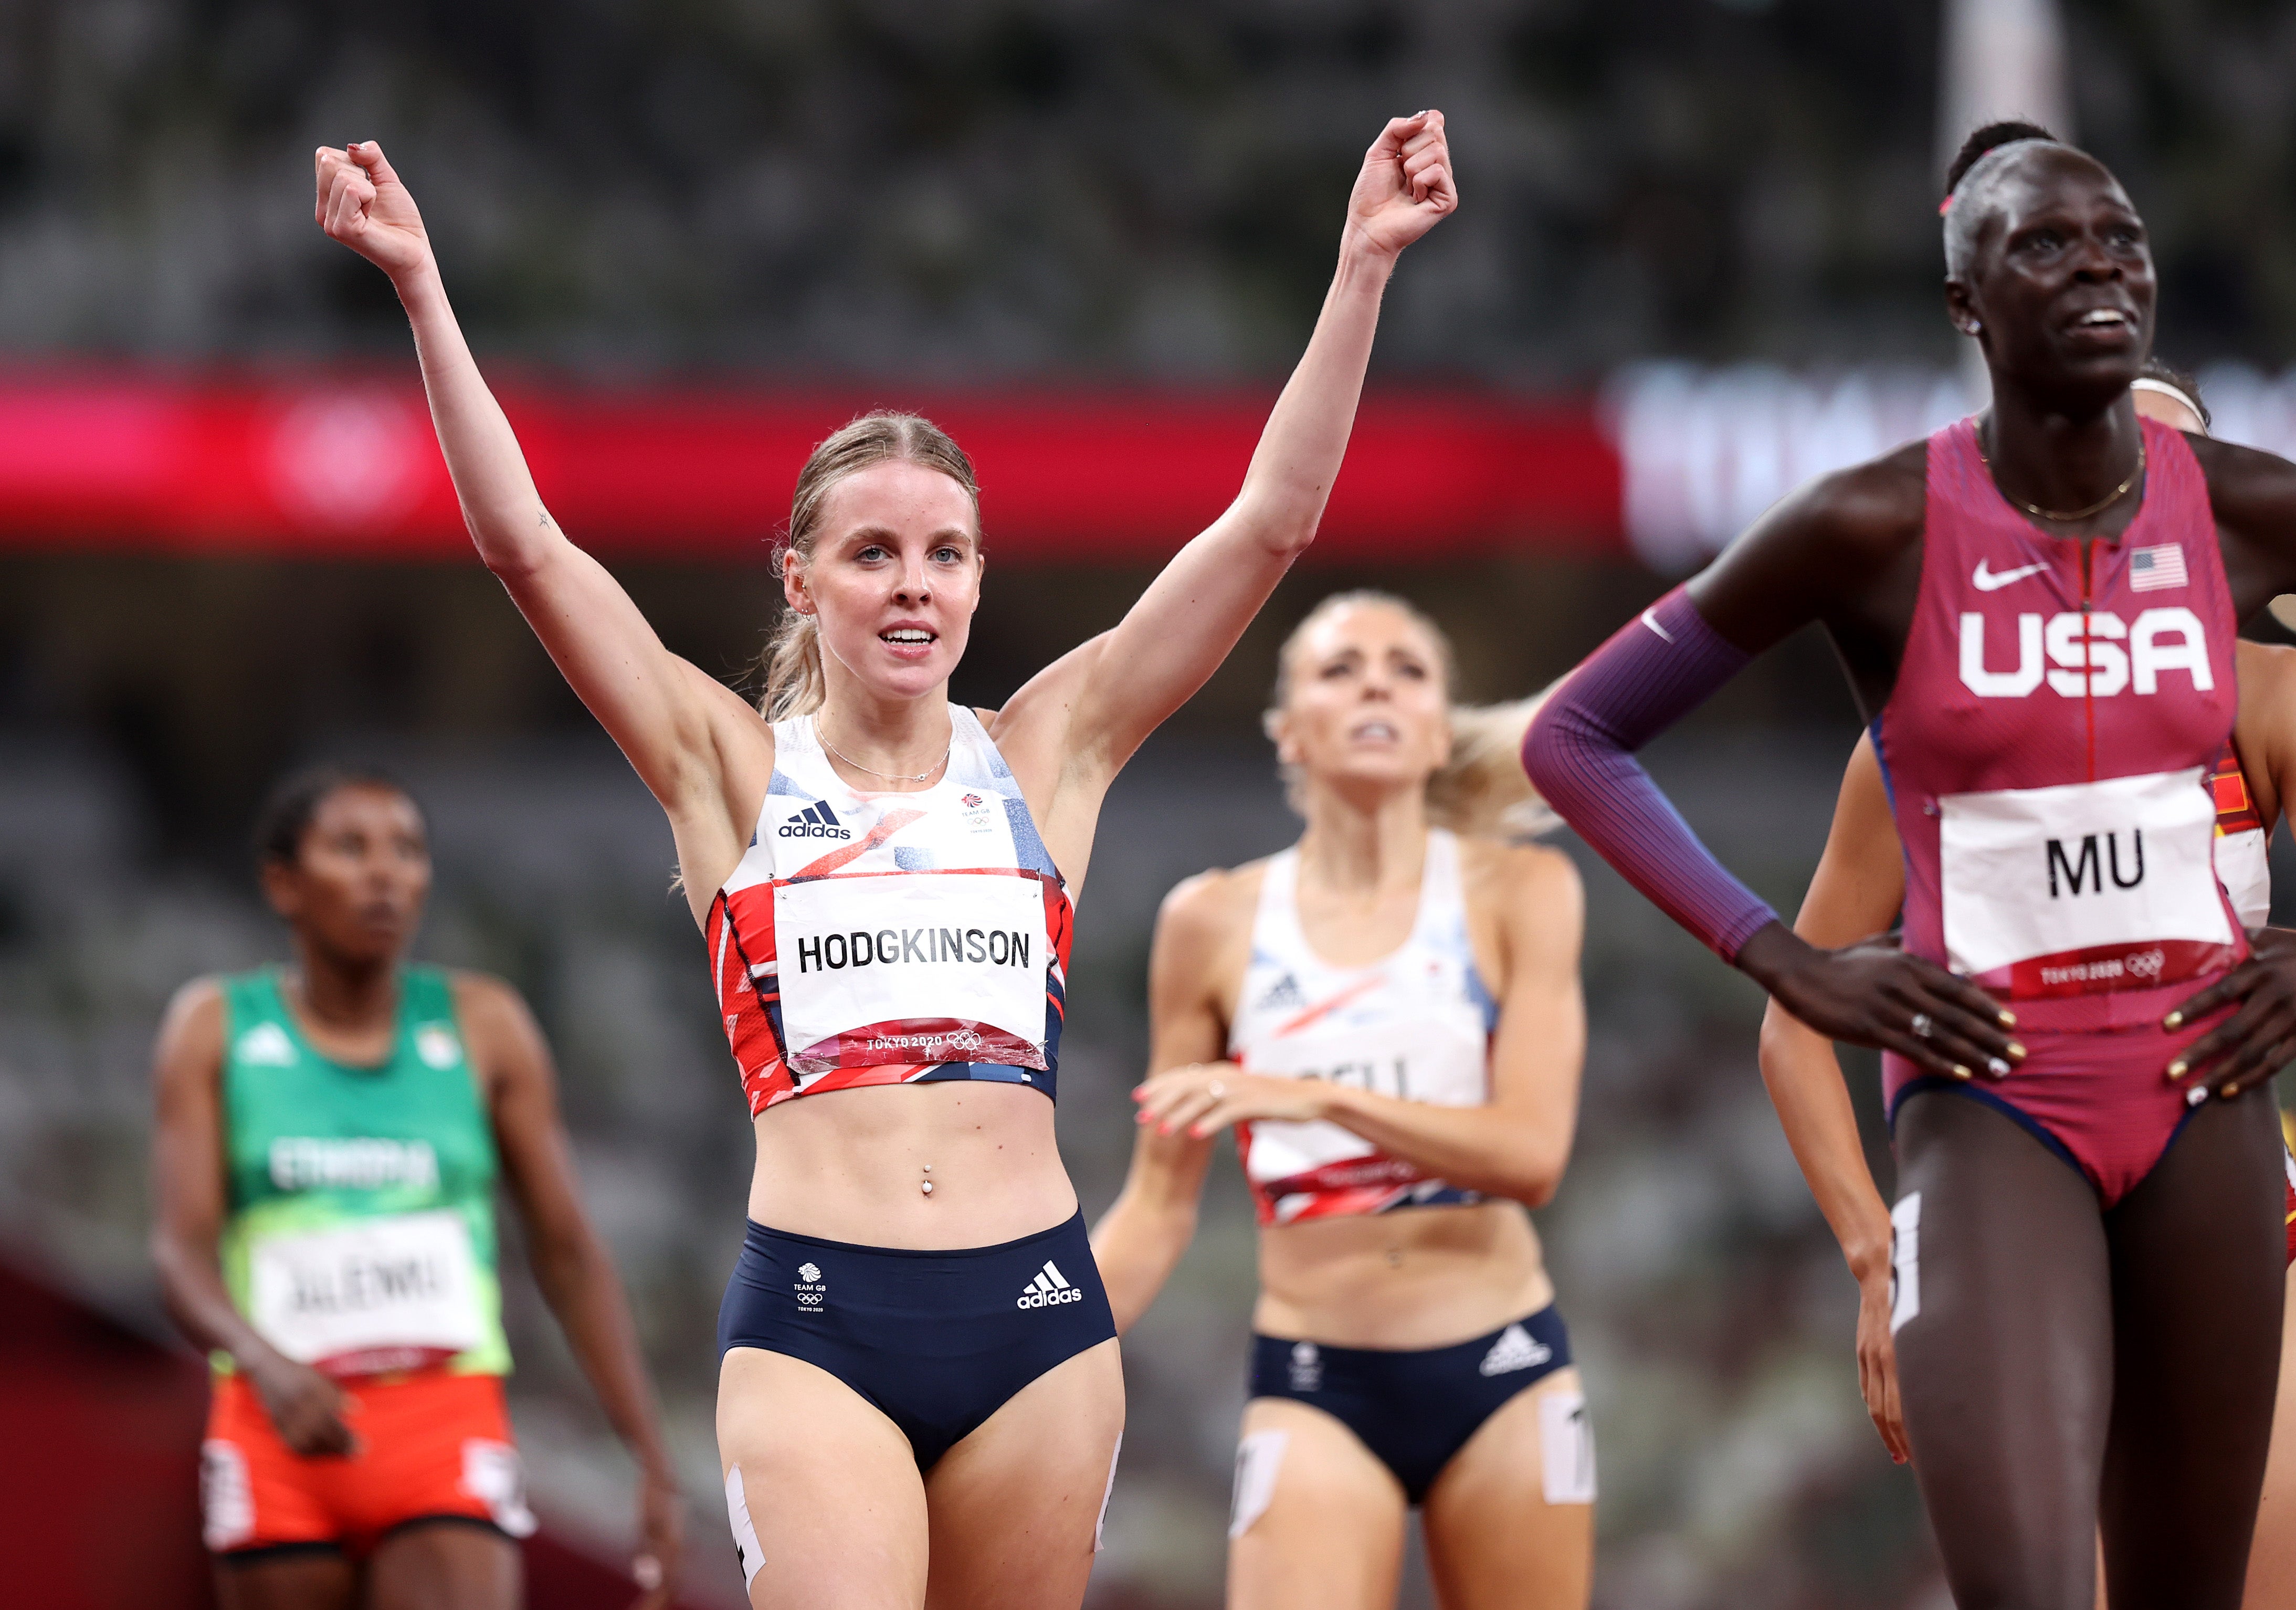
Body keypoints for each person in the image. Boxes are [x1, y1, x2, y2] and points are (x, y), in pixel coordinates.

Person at [311, 110, 1458, 1608]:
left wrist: (1363, 264)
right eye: (872, 553)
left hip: (1038, 1316)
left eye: (945, 553)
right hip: (817, 1318)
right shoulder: (723, 763)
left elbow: (1270, 527)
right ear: (800, 576)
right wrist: (419, 286)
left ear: (979, 575)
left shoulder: (1051, 748)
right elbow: (524, 543)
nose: (912, 585)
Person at [1521, 117, 2296, 1608]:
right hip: (1992, 1104)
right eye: (2044, 245)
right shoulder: (1874, 528)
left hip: (2207, 1114)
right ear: (1964, 302)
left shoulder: (2258, 552)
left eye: (2119, 240)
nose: (2095, 269)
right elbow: (1578, 737)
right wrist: (1780, 956)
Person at [1758, 368, 2296, 1610]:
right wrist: (1870, 1255)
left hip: (2232, 1203)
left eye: (2163, 477)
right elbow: (1793, 1017)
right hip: (2021, 1207)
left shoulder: (2273, 695)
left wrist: (2268, 962)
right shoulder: (1928, 722)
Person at [1091, 593, 1588, 1609]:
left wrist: (1312, 1095)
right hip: (1317, 1377)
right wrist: (1012, 1360)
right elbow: (1157, 1206)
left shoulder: (1520, 891)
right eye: (1340, 667)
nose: (1374, 681)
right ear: (1288, 730)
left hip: (1505, 1364)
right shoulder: (1212, 918)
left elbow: (1531, 1154)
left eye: (1407, 668)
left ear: (1440, 728)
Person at [151, 766, 682, 1610]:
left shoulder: (485, 1025)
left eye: (407, 850)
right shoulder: (215, 1028)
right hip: (281, 1422)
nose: (385, 874)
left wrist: (649, 1456)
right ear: (283, 883)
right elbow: (180, 1255)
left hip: (443, 1427)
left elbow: (568, 1253)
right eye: (351, 849)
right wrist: (265, 1364)